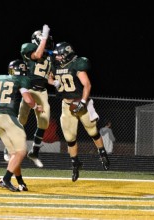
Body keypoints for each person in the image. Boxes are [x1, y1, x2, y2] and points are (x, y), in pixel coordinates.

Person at [48, 41, 110, 182]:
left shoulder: (77, 64)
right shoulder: (55, 66)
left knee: (92, 131)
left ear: (66, 54)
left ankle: (102, 153)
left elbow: (87, 85)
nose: (56, 57)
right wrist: (53, 82)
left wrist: (82, 102)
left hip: (82, 102)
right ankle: (75, 164)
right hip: (66, 105)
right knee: (70, 139)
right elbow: (49, 77)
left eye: (59, 55)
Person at [0, 59, 43, 192]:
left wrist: (0, 108)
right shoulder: (20, 81)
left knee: (14, 154)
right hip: (8, 118)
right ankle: (5, 179)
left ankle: (20, 182)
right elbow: (28, 99)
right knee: (22, 151)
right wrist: (36, 107)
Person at [18, 24, 54, 168]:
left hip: (42, 91)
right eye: (44, 38)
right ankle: (10, 147)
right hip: (28, 90)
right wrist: (44, 37)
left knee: (44, 121)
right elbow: (37, 55)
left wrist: (55, 82)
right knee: (21, 120)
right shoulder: (29, 49)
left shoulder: (49, 57)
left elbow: (48, 77)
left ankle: (34, 151)